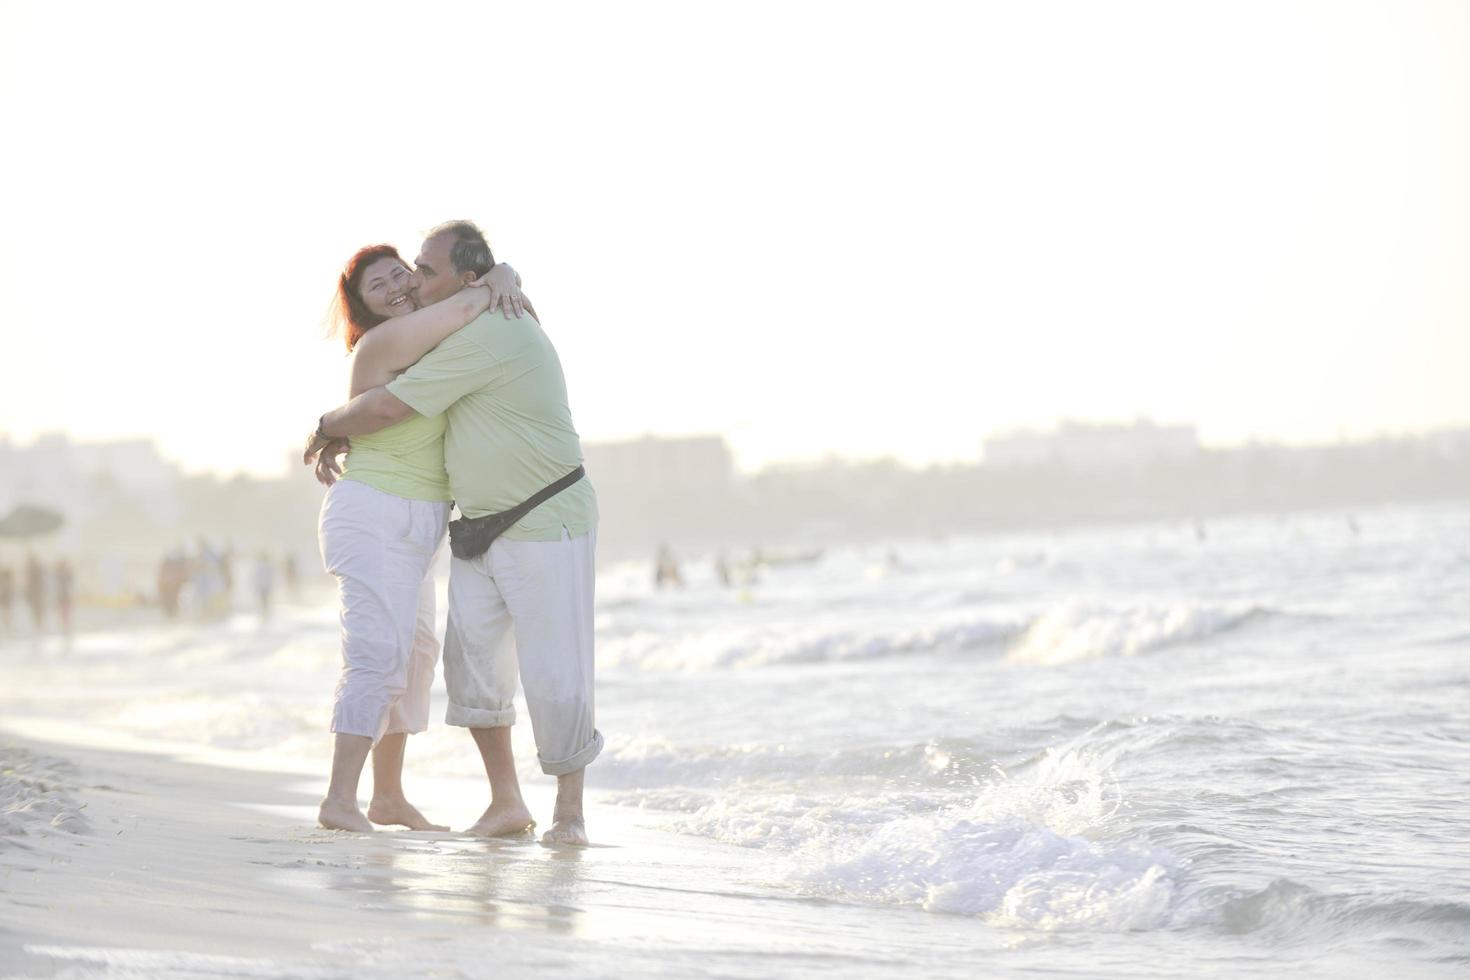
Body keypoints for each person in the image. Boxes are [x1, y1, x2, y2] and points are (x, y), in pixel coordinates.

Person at [307, 220, 600, 846]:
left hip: (486, 520)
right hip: (418, 519)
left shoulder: (470, 329)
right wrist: (329, 422)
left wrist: (502, 276)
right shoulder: (411, 338)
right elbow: (385, 405)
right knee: (422, 665)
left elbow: (400, 396)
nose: (405, 281)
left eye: (413, 271)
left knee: (454, 663)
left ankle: (550, 811)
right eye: (383, 281)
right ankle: (362, 799)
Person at [53, 559, 74, 637]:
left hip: (65, 597)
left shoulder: (64, 574)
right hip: (62, 597)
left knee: (65, 613)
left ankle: (66, 627)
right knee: (63, 613)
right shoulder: (59, 575)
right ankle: (65, 627)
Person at [0, 566, 13, 633]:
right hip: (5, 601)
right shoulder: (5, 586)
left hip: (7, 601)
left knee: (7, 612)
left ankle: (8, 628)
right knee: (6, 612)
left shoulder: (8, 587)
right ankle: (7, 628)